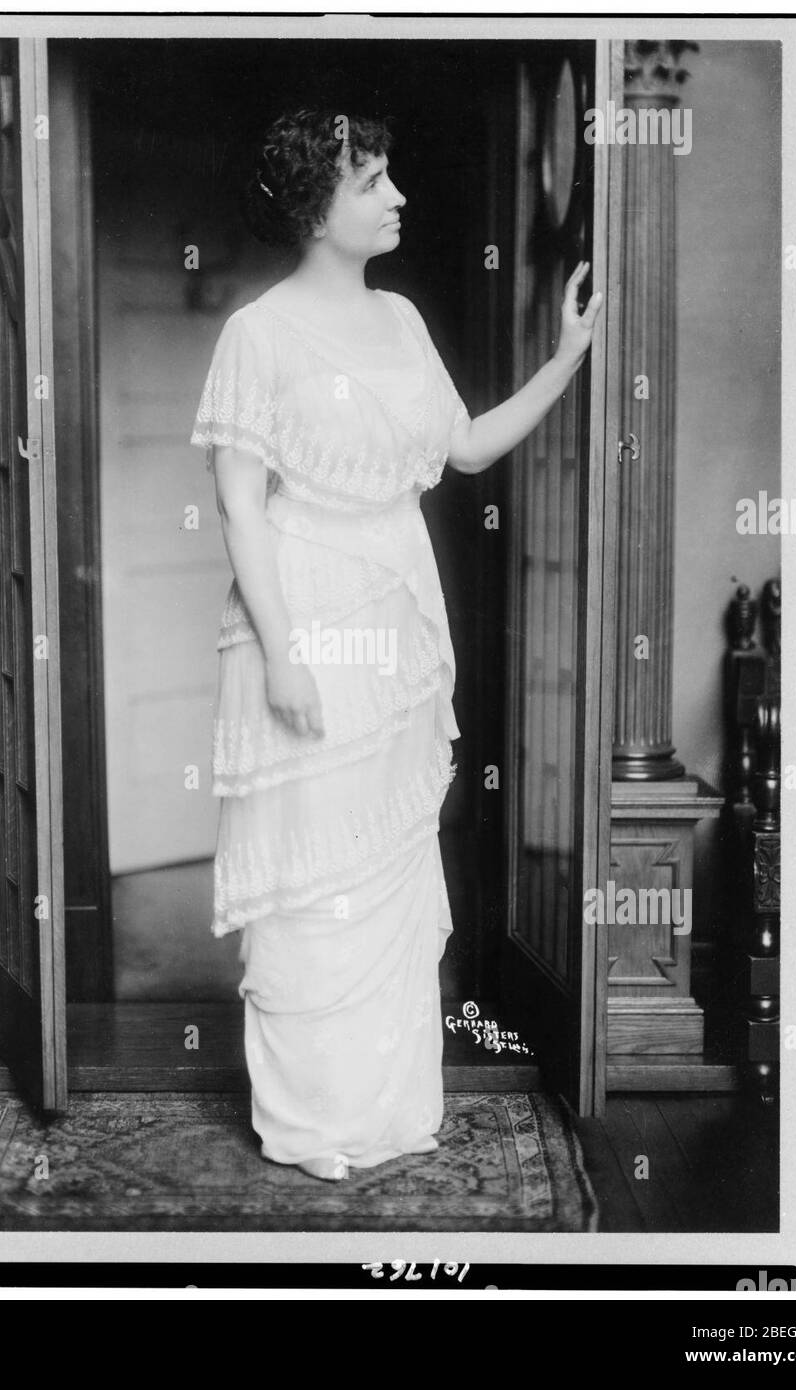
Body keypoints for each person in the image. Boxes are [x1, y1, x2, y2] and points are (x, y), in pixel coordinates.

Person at [191, 109, 601, 1182]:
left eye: (390, 177)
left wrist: (565, 358)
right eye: (373, 181)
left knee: (383, 857)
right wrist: (281, 651)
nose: (396, 198)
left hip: (396, 615)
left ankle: (384, 1106)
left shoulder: (407, 319)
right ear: (316, 209)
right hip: (306, 610)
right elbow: (239, 506)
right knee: (316, 863)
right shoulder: (259, 333)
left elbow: (462, 447)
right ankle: (313, 1117)